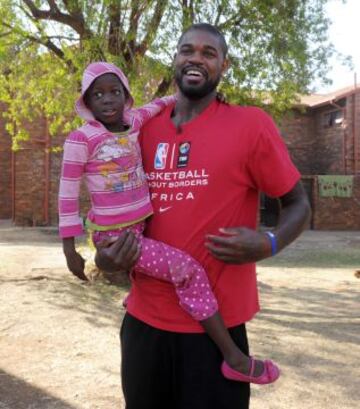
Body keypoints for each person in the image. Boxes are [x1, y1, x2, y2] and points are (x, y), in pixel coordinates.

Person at [95, 23, 311, 409]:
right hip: (143, 324)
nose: (196, 58)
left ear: (224, 65)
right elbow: (109, 202)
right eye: (187, 50)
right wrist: (104, 257)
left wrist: (269, 241)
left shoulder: (251, 125)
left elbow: (298, 204)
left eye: (209, 53)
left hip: (216, 333)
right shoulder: (138, 129)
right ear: (175, 60)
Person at [58, 61, 280, 386]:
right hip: (115, 235)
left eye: (114, 92)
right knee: (187, 270)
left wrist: (207, 94)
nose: (107, 100)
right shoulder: (82, 139)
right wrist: (69, 249)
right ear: (87, 103)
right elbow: (66, 192)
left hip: (139, 226)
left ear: (126, 96)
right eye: (98, 95)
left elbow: (161, 103)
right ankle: (233, 357)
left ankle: (137, 295)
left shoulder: (133, 122)